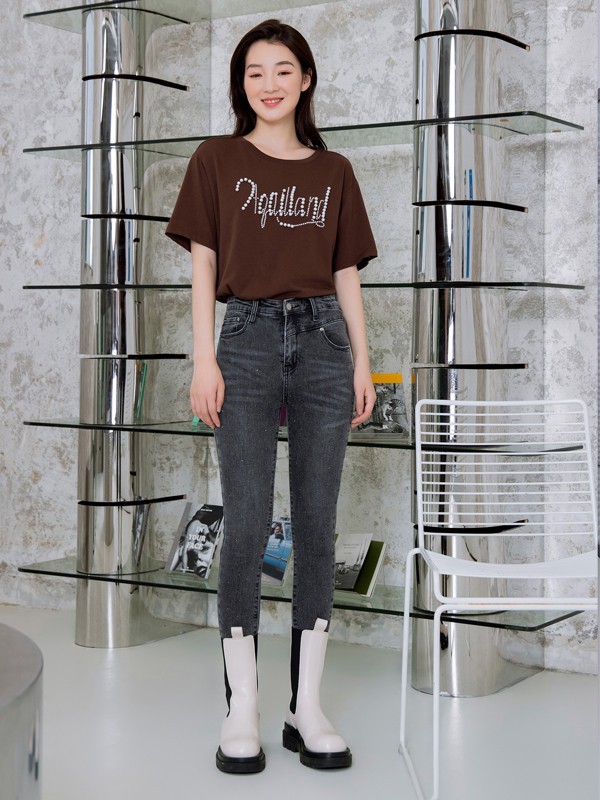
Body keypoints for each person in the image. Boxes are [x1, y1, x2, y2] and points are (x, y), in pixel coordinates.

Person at [165, 18, 377, 775]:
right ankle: (242, 707)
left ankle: (304, 706)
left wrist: (363, 362)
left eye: (283, 69)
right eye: (254, 71)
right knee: (249, 521)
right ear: (241, 85)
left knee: (317, 526)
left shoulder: (335, 170)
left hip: (323, 344)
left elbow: (345, 273)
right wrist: (204, 359)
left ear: (306, 79)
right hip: (246, 342)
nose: (269, 83)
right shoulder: (216, 159)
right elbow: (203, 264)